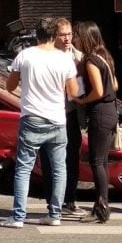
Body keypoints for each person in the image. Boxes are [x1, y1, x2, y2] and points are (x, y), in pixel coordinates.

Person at [0, 17, 79, 228]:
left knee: (24, 168)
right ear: (54, 36)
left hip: (31, 118)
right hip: (57, 120)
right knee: (59, 168)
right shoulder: (65, 59)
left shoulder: (24, 56)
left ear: (37, 35)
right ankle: (55, 215)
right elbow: (74, 92)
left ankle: (18, 217)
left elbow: (9, 86)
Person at [39, 17, 87, 217]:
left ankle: (71, 199)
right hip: (50, 114)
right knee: (50, 160)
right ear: (54, 36)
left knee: (71, 158)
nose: (67, 39)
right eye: (62, 35)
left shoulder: (80, 57)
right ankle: (52, 201)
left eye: (69, 34)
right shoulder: (48, 57)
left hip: (72, 114)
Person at [73, 21, 119, 223]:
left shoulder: (91, 60)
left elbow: (98, 91)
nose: (74, 40)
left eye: (76, 36)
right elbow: (114, 85)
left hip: (100, 113)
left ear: (85, 37)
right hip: (111, 111)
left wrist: (82, 100)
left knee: (97, 161)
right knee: (102, 161)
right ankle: (102, 205)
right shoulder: (104, 56)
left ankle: (101, 208)